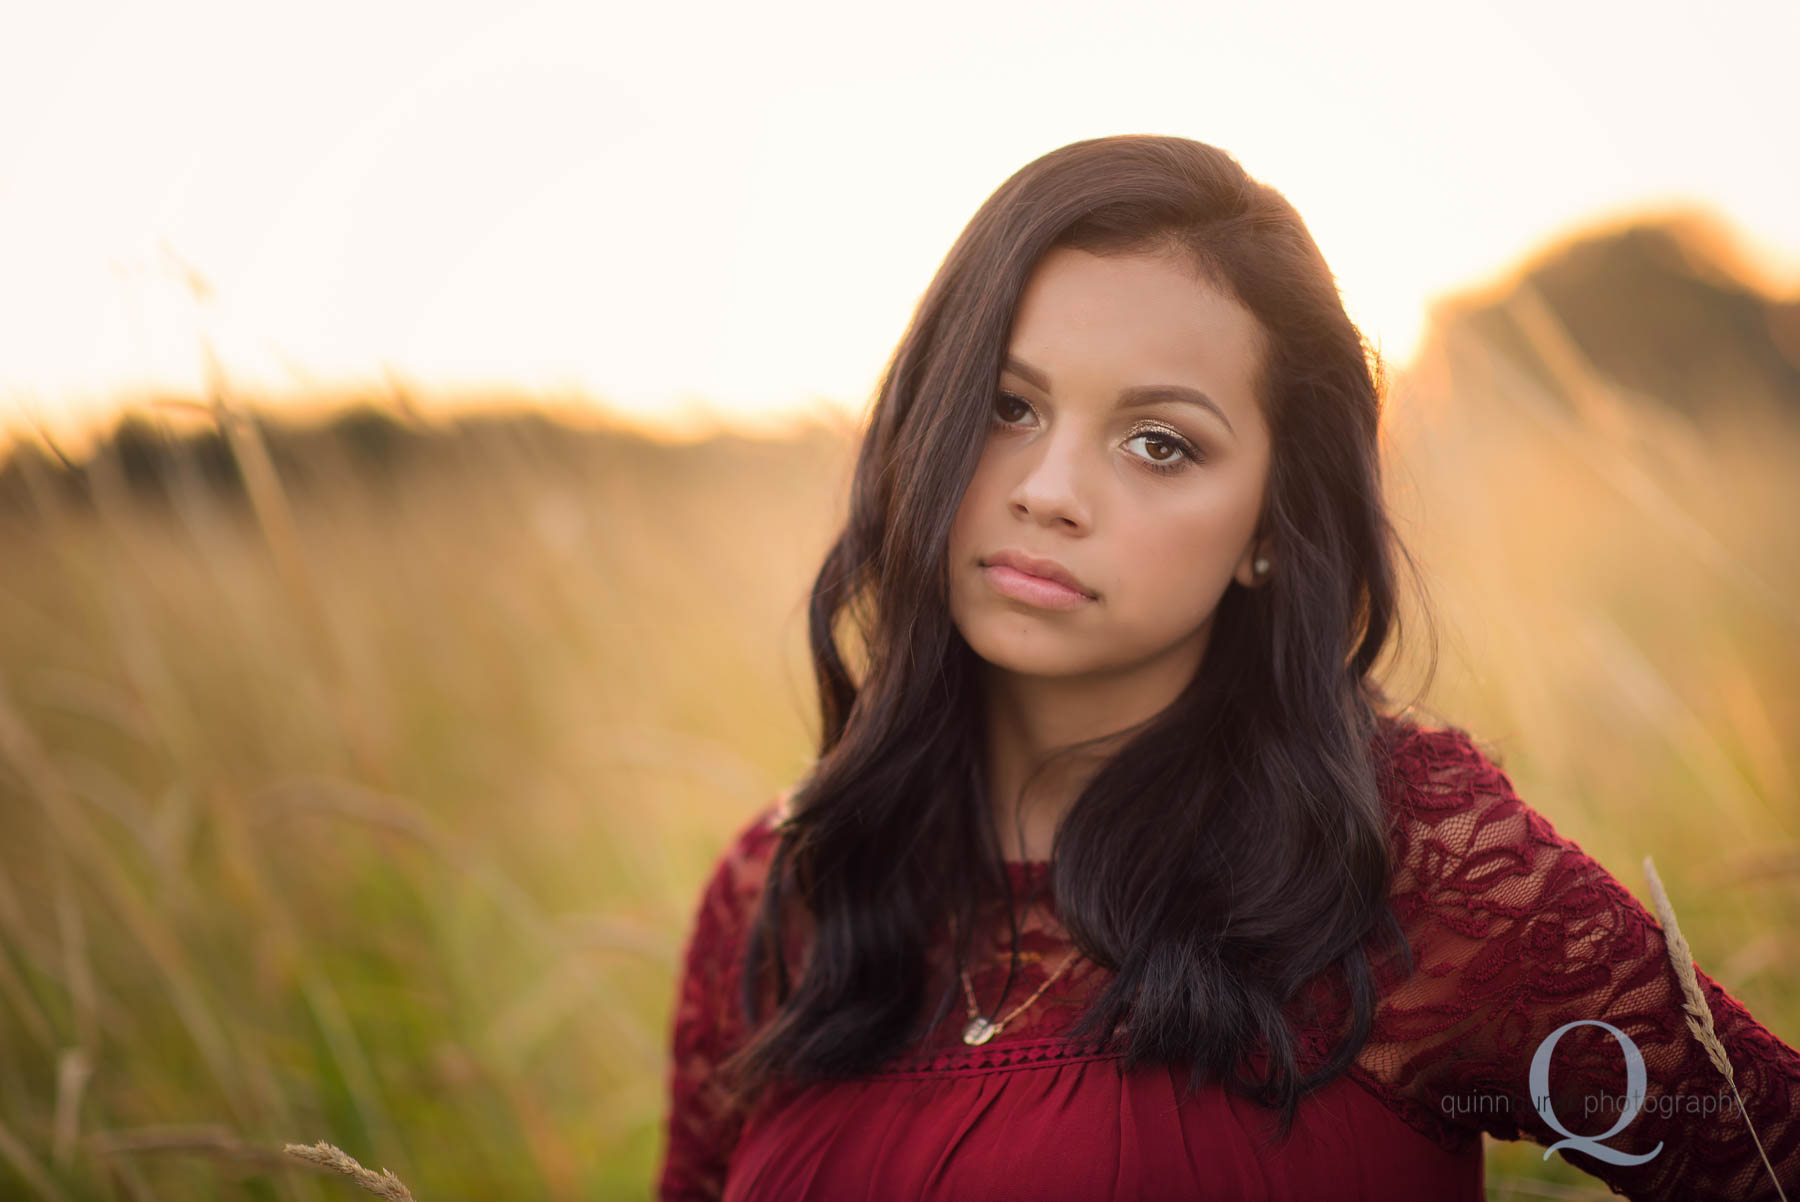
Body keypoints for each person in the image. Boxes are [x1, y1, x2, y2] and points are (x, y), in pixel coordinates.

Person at [654, 134, 1800, 1200]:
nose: (1048, 489)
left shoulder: (1405, 863)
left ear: (1268, 521)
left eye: (1161, 442)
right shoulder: (792, 886)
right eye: (1008, 405)